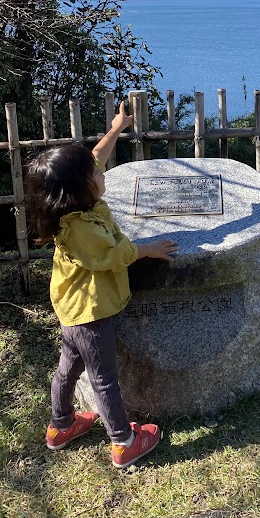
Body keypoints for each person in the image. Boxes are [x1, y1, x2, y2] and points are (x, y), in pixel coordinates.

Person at [25, 102, 177, 469]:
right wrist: (148, 249)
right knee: (103, 380)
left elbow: (95, 157)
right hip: (91, 313)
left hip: (72, 310)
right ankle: (124, 442)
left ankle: (60, 427)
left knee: (67, 369)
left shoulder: (72, 207)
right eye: (96, 172)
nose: (101, 170)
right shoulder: (82, 229)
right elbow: (114, 254)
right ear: (80, 188)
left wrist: (117, 128)